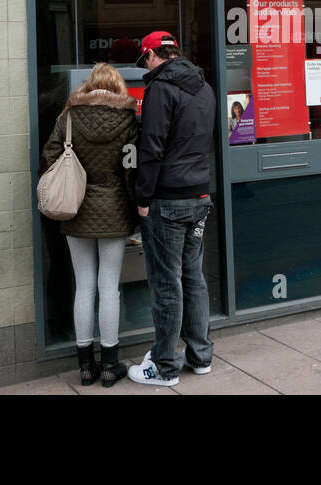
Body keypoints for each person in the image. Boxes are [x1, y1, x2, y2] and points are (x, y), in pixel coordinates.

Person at [41, 62, 139, 388]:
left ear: (89, 84)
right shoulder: (126, 118)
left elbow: (50, 153)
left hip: (77, 207)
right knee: (109, 286)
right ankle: (110, 366)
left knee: (83, 286)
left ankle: (85, 366)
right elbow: (131, 166)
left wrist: (75, 172)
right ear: (116, 86)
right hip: (114, 208)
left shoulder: (69, 116)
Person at [127, 30, 216, 386]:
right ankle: (200, 356)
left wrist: (143, 198)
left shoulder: (160, 89)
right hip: (199, 197)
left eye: (144, 60)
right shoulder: (204, 87)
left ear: (152, 55)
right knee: (193, 276)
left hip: (168, 200)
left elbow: (151, 148)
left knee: (166, 282)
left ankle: (163, 366)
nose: (145, 66)